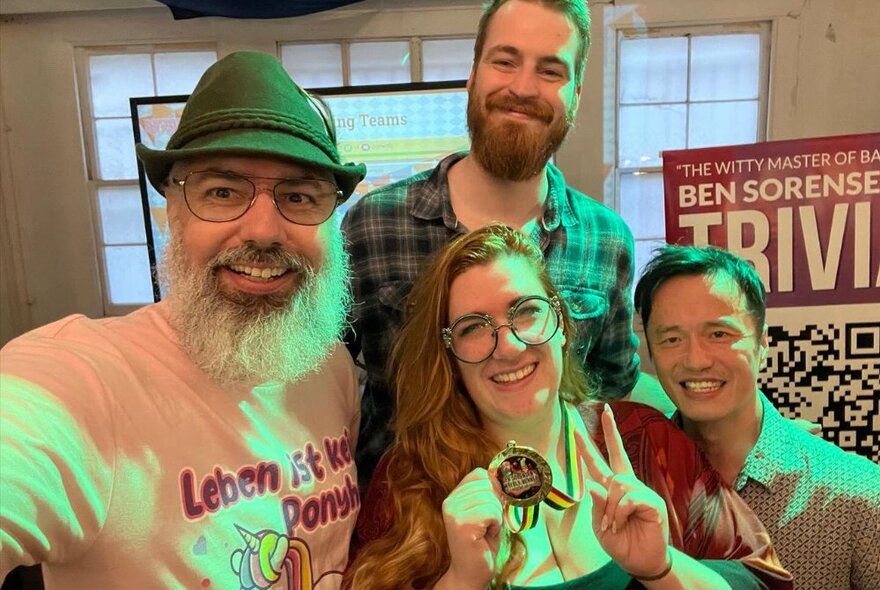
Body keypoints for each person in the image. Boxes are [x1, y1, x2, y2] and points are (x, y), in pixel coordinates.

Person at [0, 51, 367, 589]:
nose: (264, 231)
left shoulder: (328, 364)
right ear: (172, 211)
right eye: (222, 192)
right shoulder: (78, 381)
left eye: (299, 196)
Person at [344, 224, 792, 590]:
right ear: (450, 355)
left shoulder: (644, 442)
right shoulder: (409, 479)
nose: (509, 346)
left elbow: (760, 579)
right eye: (473, 327)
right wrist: (460, 583)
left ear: (560, 323)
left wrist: (663, 569)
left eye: (525, 311)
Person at [343, 0, 658, 486]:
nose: (523, 88)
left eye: (550, 71)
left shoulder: (605, 240)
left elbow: (612, 392)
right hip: (403, 520)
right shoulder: (372, 225)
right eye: (505, 61)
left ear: (575, 94)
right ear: (473, 75)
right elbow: (325, 381)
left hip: (559, 521)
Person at [634, 244, 880, 590]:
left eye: (719, 334)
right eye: (672, 339)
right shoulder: (628, 484)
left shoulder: (856, 495)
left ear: (762, 342)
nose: (695, 360)